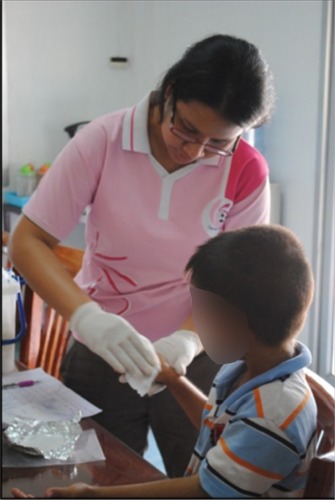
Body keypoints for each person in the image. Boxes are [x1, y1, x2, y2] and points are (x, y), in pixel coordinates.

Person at [9, 34, 276, 477]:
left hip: (198, 357)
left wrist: (187, 341)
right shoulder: (104, 140)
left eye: (216, 143)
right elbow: (27, 242)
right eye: (187, 129)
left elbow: (236, 283)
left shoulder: (245, 169)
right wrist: (88, 320)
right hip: (101, 345)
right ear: (169, 93)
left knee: (198, 477)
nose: (194, 151)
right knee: (95, 475)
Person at [12, 224, 317, 499]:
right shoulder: (252, 369)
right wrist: (173, 379)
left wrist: (93, 495)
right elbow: (218, 426)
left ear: (235, 321)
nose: (193, 321)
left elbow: (206, 490)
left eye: (199, 308)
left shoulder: (273, 412)